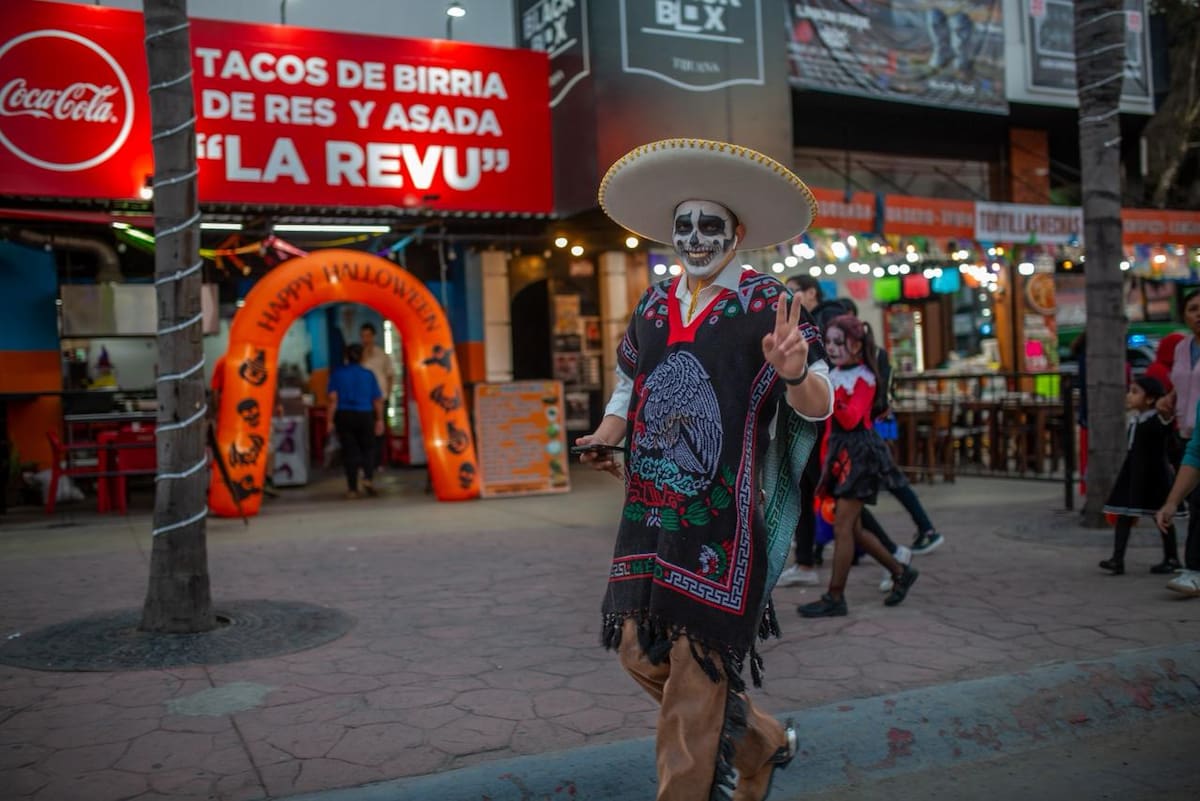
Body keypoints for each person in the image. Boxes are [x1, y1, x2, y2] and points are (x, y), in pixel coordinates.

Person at [578, 138, 833, 800]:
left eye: (709, 225)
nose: (694, 237)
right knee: (640, 649)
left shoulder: (767, 301)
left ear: (737, 232)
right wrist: (612, 425)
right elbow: (630, 376)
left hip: (726, 517)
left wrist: (795, 371)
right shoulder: (654, 303)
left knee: (695, 669)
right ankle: (762, 742)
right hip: (649, 511)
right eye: (683, 225)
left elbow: (820, 402)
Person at [799, 314, 919, 618]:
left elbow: (851, 418)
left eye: (839, 342)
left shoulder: (864, 377)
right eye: (828, 342)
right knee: (852, 527)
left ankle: (835, 595)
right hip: (841, 457)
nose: (832, 348)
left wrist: (831, 395)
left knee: (844, 528)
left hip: (860, 455)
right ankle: (899, 570)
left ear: (856, 344)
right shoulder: (836, 375)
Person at [1099, 376, 1182, 575]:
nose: (1129, 395)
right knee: (1124, 514)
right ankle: (1117, 559)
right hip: (1133, 473)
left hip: (1154, 476)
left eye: (1135, 392)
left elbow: (1168, 427)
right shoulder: (1136, 418)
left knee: (1162, 517)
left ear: (1150, 399)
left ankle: (1172, 558)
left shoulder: (1157, 419)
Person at [327, 344, 383, 499]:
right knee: (369, 448)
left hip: (345, 415)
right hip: (365, 414)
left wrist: (330, 421)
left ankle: (352, 489)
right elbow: (377, 399)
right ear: (362, 357)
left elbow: (333, 399)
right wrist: (379, 420)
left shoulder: (337, 374)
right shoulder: (368, 374)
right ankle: (368, 478)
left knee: (349, 452)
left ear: (346, 357)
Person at [359, 322, 395, 471]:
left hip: (380, 398)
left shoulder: (382, 355)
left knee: (379, 430)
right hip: (363, 399)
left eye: (368, 335)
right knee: (364, 431)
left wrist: (388, 393)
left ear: (373, 336)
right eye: (363, 336)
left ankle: (379, 461)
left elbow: (390, 375)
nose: (365, 339)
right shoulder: (358, 355)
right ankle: (366, 462)